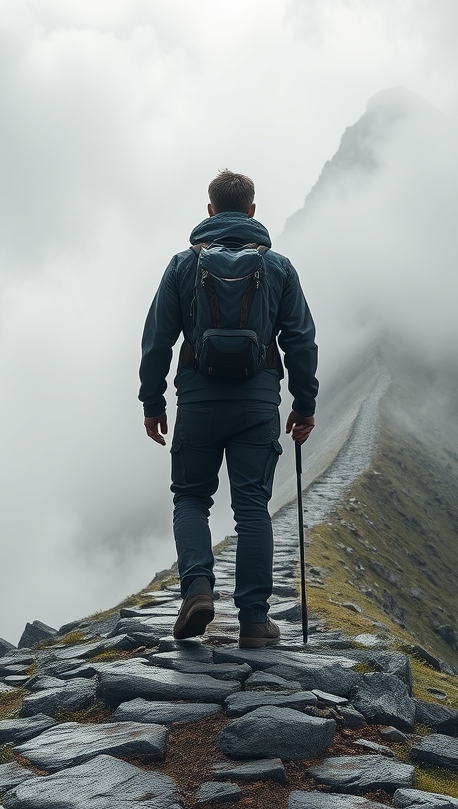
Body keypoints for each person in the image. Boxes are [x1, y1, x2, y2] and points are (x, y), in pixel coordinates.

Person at [139, 170, 318, 648]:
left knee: (192, 499)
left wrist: (152, 401)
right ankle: (255, 622)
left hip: (197, 400)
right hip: (258, 402)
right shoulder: (277, 267)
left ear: (210, 210)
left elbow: (157, 339)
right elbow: (301, 340)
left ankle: (197, 589)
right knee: (252, 506)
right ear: (254, 211)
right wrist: (304, 404)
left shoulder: (183, 265)